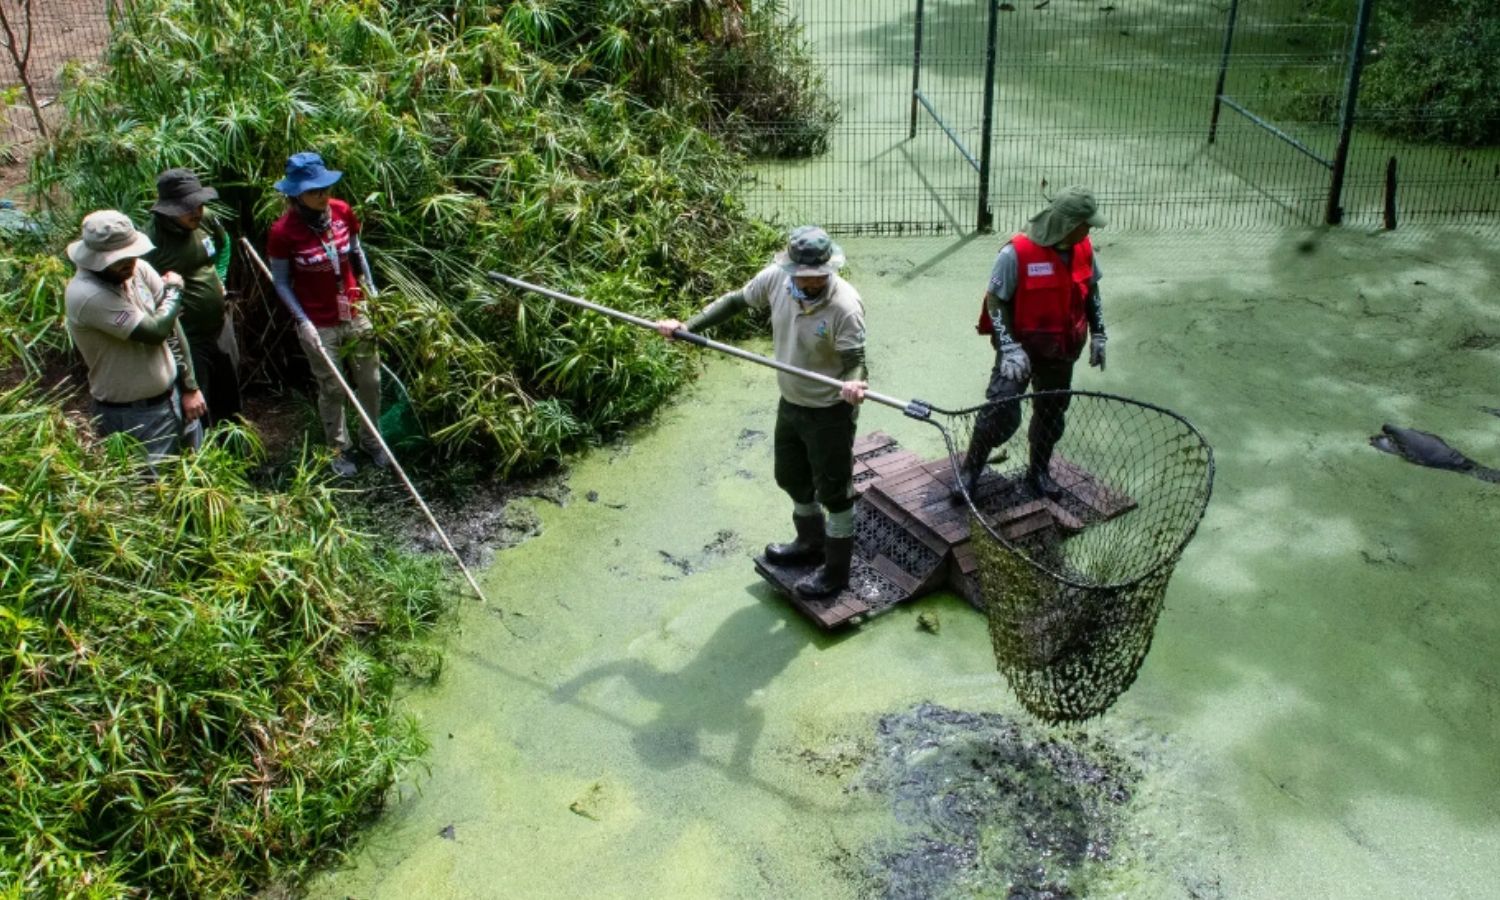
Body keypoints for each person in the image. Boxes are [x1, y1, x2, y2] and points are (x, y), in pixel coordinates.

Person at [656, 226, 868, 599]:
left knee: (835, 493)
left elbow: (856, 361)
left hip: (829, 410)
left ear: (828, 268)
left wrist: (853, 385)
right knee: (790, 476)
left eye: (819, 275)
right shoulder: (775, 281)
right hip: (791, 402)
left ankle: (836, 571)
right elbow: (736, 301)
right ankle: (809, 543)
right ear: (791, 269)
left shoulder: (845, 306)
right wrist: (687, 327)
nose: (812, 282)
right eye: (804, 275)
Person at [955, 186, 1108, 500]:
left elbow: (1091, 292)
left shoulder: (1084, 249)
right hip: (1020, 352)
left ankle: (1038, 471)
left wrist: (1099, 334)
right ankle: (970, 471)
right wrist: (1009, 347)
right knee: (999, 410)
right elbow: (996, 301)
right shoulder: (1016, 253)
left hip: (1062, 350)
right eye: (1086, 223)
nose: (1090, 229)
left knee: (1052, 413)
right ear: (1067, 223)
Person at [265, 151, 385, 477]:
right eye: (313, 191)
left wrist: (370, 291)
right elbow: (281, 282)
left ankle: (373, 441)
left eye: (324, 188)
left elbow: (357, 254)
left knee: (371, 381)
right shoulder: (283, 232)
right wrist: (303, 322)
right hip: (318, 322)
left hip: (356, 310)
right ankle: (338, 449)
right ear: (295, 194)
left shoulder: (342, 212)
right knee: (332, 387)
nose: (322, 195)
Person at [64, 210, 206, 464]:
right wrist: (174, 290)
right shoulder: (86, 295)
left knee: (195, 475)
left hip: (172, 398)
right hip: (133, 415)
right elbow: (154, 332)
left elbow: (172, 327)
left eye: (132, 255)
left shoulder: (137, 268)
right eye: (119, 259)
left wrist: (190, 386)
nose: (129, 263)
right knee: (154, 493)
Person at [144, 168, 241, 427]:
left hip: (220, 325)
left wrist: (219, 278)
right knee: (200, 400)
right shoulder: (152, 241)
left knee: (230, 390)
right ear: (169, 210)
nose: (196, 212)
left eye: (198, 204)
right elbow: (143, 287)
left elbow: (225, 244)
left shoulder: (206, 219)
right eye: (188, 208)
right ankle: (210, 459)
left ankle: (239, 451)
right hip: (189, 336)